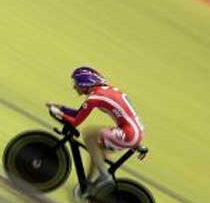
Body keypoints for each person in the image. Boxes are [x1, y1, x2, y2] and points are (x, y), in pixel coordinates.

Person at [46, 66, 145, 196]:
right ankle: (88, 185)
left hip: (128, 134)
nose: (74, 87)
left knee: (89, 135)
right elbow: (78, 113)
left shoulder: (94, 98)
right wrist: (61, 108)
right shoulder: (103, 91)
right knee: (97, 151)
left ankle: (104, 176)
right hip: (135, 131)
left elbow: (75, 122)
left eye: (76, 83)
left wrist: (57, 112)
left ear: (85, 84)